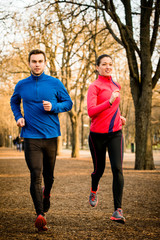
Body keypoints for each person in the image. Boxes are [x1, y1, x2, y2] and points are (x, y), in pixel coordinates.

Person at [10, 49, 73, 231]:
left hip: (51, 137)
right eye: (33, 61)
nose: (37, 64)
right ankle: (40, 215)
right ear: (29, 63)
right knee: (35, 175)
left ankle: (46, 195)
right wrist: (18, 117)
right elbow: (14, 102)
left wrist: (54, 106)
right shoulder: (22, 85)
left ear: (45, 63)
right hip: (30, 137)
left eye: (40, 61)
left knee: (49, 176)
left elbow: (68, 103)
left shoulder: (55, 83)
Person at [87, 54, 126, 224]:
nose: (108, 67)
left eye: (110, 64)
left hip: (116, 133)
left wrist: (120, 116)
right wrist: (109, 102)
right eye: (104, 64)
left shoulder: (116, 85)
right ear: (97, 67)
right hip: (97, 135)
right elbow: (91, 111)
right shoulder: (94, 87)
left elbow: (114, 108)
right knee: (99, 170)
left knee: (118, 169)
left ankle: (117, 210)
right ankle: (94, 189)